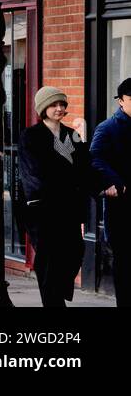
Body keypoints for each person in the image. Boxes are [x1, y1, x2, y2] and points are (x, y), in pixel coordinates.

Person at [19, 86, 90, 308]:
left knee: (74, 252)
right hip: (43, 208)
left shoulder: (72, 136)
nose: (59, 109)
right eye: (54, 105)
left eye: (62, 105)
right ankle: (54, 303)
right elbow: (33, 173)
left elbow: (85, 168)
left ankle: (57, 294)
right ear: (43, 108)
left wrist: (106, 185)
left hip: (69, 208)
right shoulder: (31, 136)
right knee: (49, 259)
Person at [91, 76, 131, 306]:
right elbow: (95, 159)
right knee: (125, 261)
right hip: (121, 205)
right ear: (121, 101)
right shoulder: (107, 128)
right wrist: (117, 182)